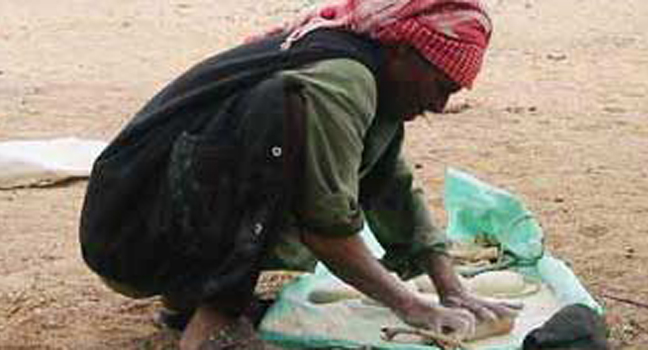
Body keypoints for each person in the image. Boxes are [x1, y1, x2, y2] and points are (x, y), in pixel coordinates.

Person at [77, 0, 517, 348]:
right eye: (440, 86)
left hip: (142, 217)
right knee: (280, 127)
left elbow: (391, 185)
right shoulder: (343, 77)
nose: (440, 105)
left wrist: (449, 286)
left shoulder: (372, 76)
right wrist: (411, 306)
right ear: (402, 51)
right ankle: (213, 324)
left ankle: (187, 299)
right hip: (130, 231)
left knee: (298, 138)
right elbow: (326, 224)